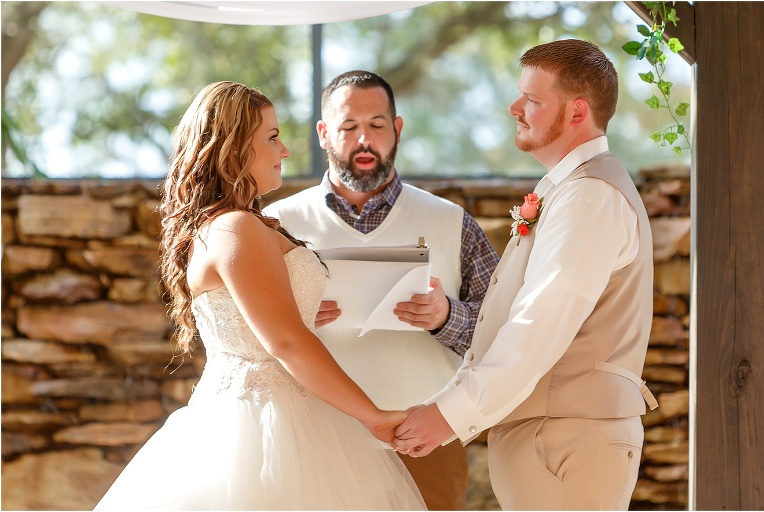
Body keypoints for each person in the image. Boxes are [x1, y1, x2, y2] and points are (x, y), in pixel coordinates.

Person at [94, 81, 425, 510]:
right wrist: (373, 418)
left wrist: (301, 311)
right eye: (272, 137)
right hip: (262, 430)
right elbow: (285, 342)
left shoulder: (236, 224)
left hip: (287, 417)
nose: (285, 150)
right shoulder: (236, 228)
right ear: (232, 148)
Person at [392, 39, 659, 510]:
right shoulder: (569, 190)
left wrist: (447, 417)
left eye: (533, 100)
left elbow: (538, 325)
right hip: (554, 441)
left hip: (567, 445)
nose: (515, 108)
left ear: (578, 112)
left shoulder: (588, 198)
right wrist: (444, 406)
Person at [264, 70, 499, 510]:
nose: (364, 140)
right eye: (349, 127)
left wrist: (446, 317)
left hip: (423, 442)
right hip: (312, 440)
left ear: (398, 129)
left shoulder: (452, 222)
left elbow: (503, 331)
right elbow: (242, 337)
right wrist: (291, 319)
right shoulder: (276, 224)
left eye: (377, 125)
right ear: (323, 134)